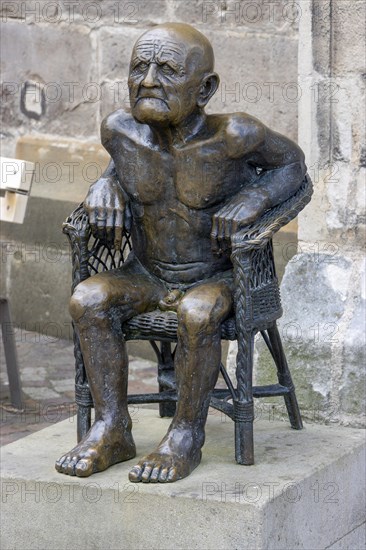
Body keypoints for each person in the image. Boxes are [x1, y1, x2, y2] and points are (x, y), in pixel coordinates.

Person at [55, 22, 306, 482]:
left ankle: (186, 435)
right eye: (139, 67)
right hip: (147, 273)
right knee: (88, 298)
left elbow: (294, 166)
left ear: (205, 88)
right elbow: (122, 167)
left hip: (219, 275)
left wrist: (257, 198)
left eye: (167, 70)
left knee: (197, 310)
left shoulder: (235, 135)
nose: (148, 80)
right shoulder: (120, 131)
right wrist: (104, 184)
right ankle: (112, 428)